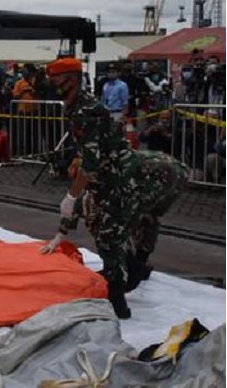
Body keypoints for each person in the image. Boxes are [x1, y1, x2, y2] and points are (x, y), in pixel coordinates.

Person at [41, 57, 189, 319]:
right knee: (127, 222)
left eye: (56, 78)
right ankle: (137, 268)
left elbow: (90, 161)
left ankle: (118, 299)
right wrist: (61, 232)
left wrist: (70, 194)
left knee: (110, 234)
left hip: (121, 177)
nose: (52, 83)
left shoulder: (85, 110)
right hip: (118, 174)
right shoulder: (75, 105)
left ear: (72, 79)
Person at [43, 151, 187, 292]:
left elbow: (125, 212)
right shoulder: (92, 174)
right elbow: (76, 207)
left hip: (163, 175)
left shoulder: (103, 174)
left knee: (136, 217)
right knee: (144, 217)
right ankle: (137, 265)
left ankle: (134, 268)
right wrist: (59, 235)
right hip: (164, 170)